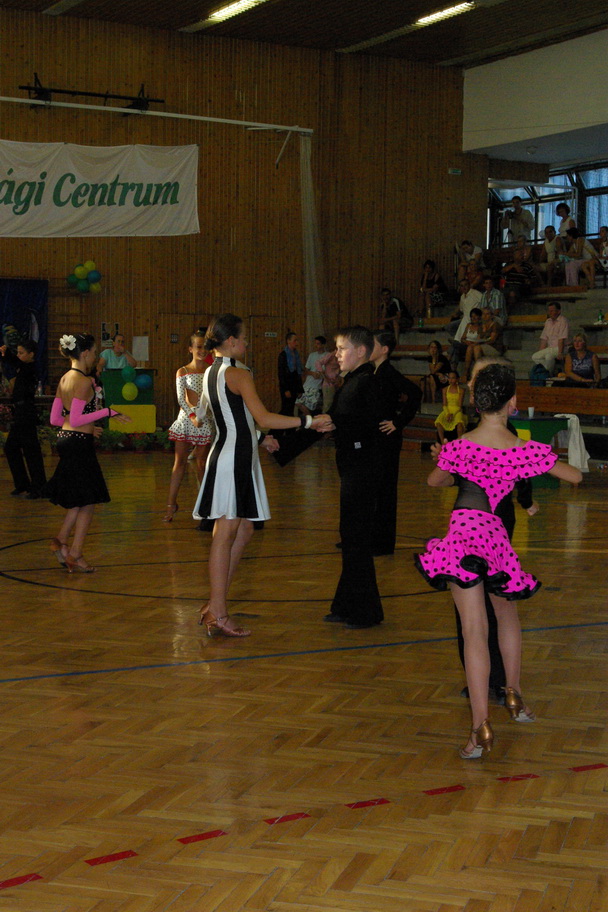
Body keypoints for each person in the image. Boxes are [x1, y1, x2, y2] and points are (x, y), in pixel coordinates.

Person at [415, 363, 582, 758]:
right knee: (507, 617)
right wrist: (537, 462)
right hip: (496, 540)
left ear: (475, 402)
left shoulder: (459, 446)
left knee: (474, 631)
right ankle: (514, 695)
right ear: (513, 403)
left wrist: (453, 466)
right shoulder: (522, 449)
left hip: (462, 537)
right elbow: (574, 477)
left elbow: (435, 481)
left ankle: (480, 729)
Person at [192, 314, 330, 637]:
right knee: (226, 532)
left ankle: (215, 603)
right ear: (230, 341)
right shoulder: (238, 373)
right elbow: (264, 417)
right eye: (243, 338)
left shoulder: (211, 371)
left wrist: (258, 438)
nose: (246, 342)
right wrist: (309, 422)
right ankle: (219, 612)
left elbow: (229, 418)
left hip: (231, 453)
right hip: (233, 458)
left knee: (243, 530)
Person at [46, 332, 130, 572]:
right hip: (78, 444)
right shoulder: (83, 382)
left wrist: (88, 428)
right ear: (84, 354)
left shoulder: (64, 379)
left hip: (66, 440)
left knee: (80, 498)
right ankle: (75, 553)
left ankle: (61, 541)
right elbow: (75, 418)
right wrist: (108, 412)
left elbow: (56, 419)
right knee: (89, 499)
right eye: (93, 352)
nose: (95, 356)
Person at [323, 326, 384, 629]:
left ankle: (366, 612)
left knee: (356, 539)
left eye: (342, 348)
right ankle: (346, 605)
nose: (337, 354)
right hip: (352, 468)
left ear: (360, 351)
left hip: (362, 470)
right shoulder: (354, 381)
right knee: (350, 538)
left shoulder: (366, 383)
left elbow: (359, 424)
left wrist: (331, 425)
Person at [370, 330, 421, 556]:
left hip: (387, 439)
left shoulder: (388, 372)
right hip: (377, 439)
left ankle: (383, 544)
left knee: (386, 490)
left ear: (384, 350)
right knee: (376, 489)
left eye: (373, 344)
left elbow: (415, 392)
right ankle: (375, 538)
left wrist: (398, 422)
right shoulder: (373, 371)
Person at [163, 330, 214, 523]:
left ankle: (205, 506)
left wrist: (205, 416)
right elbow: (180, 399)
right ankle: (171, 504)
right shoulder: (183, 371)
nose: (202, 350)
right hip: (186, 420)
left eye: (205, 347)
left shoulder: (211, 370)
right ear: (190, 349)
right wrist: (192, 416)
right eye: (198, 347)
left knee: (201, 464)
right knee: (179, 463)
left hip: (204, 420)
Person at [0, 339, 47, 499]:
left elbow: (15, 362)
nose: (19, 355)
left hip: (26, 414)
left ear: (31, 354)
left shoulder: (31, 367)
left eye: (21, 353)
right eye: (18, 352)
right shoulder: (23, 367)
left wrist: (7, 354)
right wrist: (5, 354)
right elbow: (15, 363)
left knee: (31, 451)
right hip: (20, 413)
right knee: (11, 448)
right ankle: (22, 485)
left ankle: (38, 487)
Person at [531, 301, 570, 374]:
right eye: (549, 311)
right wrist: (541, 351)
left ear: (558, 311)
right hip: (550, 348)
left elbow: (561, 338)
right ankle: (548, 371)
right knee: (535, 356)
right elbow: (544, 339)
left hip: (561, 348)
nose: (550, 313)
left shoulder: (563, 321)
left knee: (549, 356)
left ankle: (548, 374)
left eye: (552, 311)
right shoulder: (547, 322)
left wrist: (560, 353)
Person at [296, 335, 326, 415]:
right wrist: (312, 373)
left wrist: (320, 375)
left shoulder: (327, 356)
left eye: (318, 344)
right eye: (315, 343)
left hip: (316, 387)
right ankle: (309, 419)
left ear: (323, 345)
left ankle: (309, 419)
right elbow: (305, 370)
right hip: (307, 385)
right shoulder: (312, 355)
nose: (316, 346)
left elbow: (327, 372)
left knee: (310, 406)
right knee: (298, 403)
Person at [434, 370, 466, 444]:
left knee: (459, 424)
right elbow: (444, 404)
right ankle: (443, 442)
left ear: (457, 379)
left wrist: (452, 414)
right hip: (447, 410)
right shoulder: (445, 389)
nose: (451, 380)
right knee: (439, 422)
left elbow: (460, 406)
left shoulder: (461, 390)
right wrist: (448, 413)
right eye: (449, 378)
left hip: (457, 410)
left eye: (453, 378)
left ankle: (460, 443)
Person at [277, 332, 303, 415]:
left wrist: (300, 388)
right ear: (288, 341)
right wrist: (285, 389)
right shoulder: (283, 355)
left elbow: (298, 372)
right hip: (286, 385)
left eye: (297, 340)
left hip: (294, 385)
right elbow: (281, 374)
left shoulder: (296, 354)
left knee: (291, 408)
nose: (296, 343)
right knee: (286, 408)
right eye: (294, 341)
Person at [459, 307, 483, 378]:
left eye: (475, 316)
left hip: (474, 345)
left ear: (479, 317)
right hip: (466, 344)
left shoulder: (481, 327)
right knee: (466, 347)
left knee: (470, 348)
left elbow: (479, 340)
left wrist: (471, 343)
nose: (473, 318)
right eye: (472, 316)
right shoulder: (468, 325)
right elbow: (462, 338)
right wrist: (466, 342)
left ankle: (467, 372)